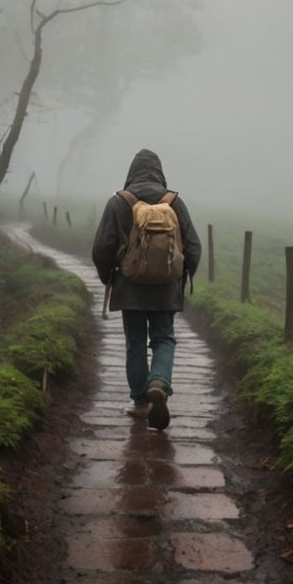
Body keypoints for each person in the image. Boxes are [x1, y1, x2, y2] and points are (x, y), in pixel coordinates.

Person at [92, 149, 201, 430]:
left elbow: (102, 248)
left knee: (136, 343)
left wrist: (109, 278)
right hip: (166, 287)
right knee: (164, 338)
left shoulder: (119, 203)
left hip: (130, 288)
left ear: (131, 173)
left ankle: (141, 402)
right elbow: (194, 247)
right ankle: (159, 383)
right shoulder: (174, 203)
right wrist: (182, 276)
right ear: (160, 173)